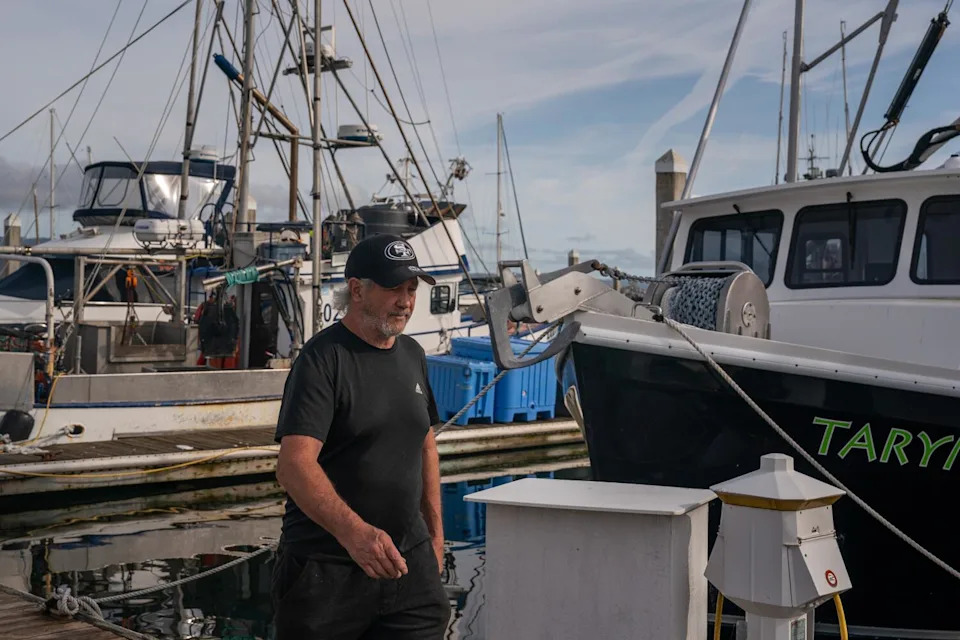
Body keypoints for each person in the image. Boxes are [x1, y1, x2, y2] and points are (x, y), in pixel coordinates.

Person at [272, 233, 449, 639]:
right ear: (357, 289)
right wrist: (356, 534)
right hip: (327, 570)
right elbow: (294, 464)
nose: (405, 300)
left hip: (409, 565)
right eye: (392, 288)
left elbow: (425, 445)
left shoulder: (413, 355)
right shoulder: (322, 360)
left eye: (411, 288)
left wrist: (435, 538)